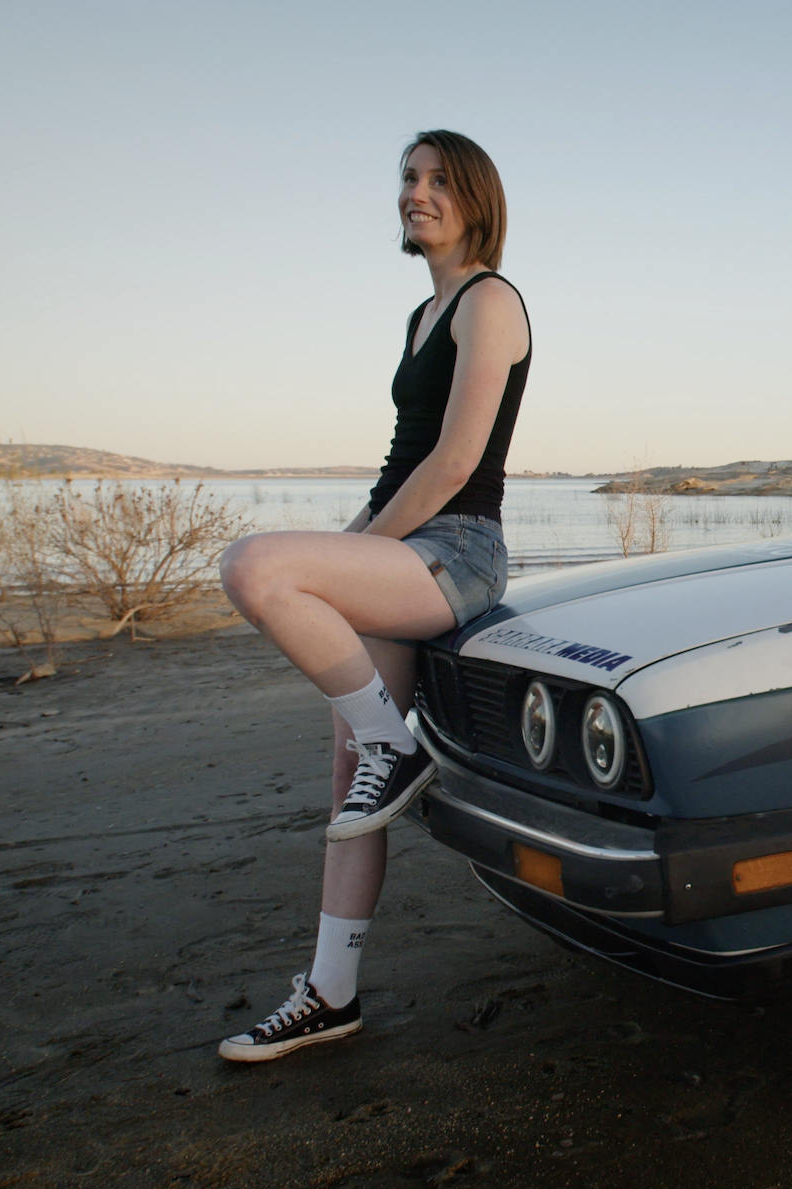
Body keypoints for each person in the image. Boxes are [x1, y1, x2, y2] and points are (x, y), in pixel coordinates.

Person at [214, 130, 530, 1061]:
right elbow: (400, 464)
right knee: (353, 777)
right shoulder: (421, 314)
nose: (416, 193)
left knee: (254, 567)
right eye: (407, 178)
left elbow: (455, 463)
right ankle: (331, 993)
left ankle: (398, 748)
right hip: (409, 546)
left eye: (438, 180)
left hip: (460, 550)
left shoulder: (491, 301)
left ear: (476, 199)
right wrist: (352, 546)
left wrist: (355, 553)